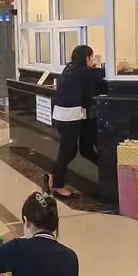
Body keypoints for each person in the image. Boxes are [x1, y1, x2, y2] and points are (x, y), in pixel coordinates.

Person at [47, 45, 105, 198]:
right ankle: (58, 185)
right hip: (69, 117)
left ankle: (54, 177)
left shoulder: (69, 69)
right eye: (92, 58)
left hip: (62, 116)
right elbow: (104, 73)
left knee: (68, 150)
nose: (93, 61)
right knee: (68, 151)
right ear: (86, 58)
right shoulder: (83, 72)